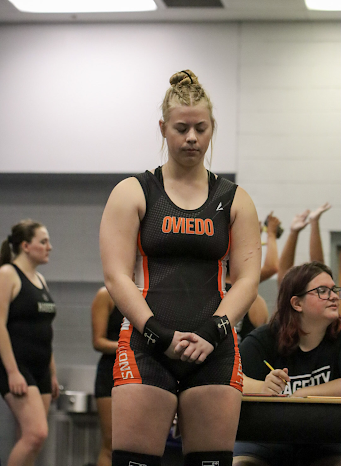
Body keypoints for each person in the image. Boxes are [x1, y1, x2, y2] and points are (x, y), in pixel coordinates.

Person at [100, 70, 261, 466]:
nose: (192, 137)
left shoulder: (235, 199)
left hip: (215, 345)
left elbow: (247, 280)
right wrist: (158, 334)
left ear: (211, 130)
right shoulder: (135, 192)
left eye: (201, 128)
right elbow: (116, 276)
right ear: (163, 128)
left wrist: (212, 332)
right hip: (147, 344)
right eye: (182, 128)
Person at [233, 261, 341, 466]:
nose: (334, 296)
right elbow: (231, 378)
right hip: (265, 439)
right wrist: (262, 387)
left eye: (334, 289)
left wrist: (302, 394)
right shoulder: (263, 338)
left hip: (325, 438)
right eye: (322, 291)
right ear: (297, 304)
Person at [0, 219, 59, 466]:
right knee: (36, 434)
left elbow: (45, 330)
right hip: (18, 367)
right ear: (25, 245)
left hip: (41, 369)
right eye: (43, 241)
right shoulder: (7, 274)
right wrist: (12, 372)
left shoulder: (41, 280)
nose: (50, 247)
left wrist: (52, 373)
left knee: (30, 439)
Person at [234, 212, 281, 343]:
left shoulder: (209, 280)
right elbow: (272, 267)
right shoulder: (246, 284)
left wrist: (254, 235)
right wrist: (271, 234)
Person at [92, 286, 123, 466]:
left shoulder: (149, 292)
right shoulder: (107, 294)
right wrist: (128, 346)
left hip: (141, 373)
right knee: (111, 444)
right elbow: (98, 341)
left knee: (135, 446)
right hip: (111, 372)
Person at [277, 203, 331, 286]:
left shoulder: (325, 294)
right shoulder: (294, 294)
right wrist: (293, 233)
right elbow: (284, 279)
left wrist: (314, 222)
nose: (334, 295)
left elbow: (319, 268)